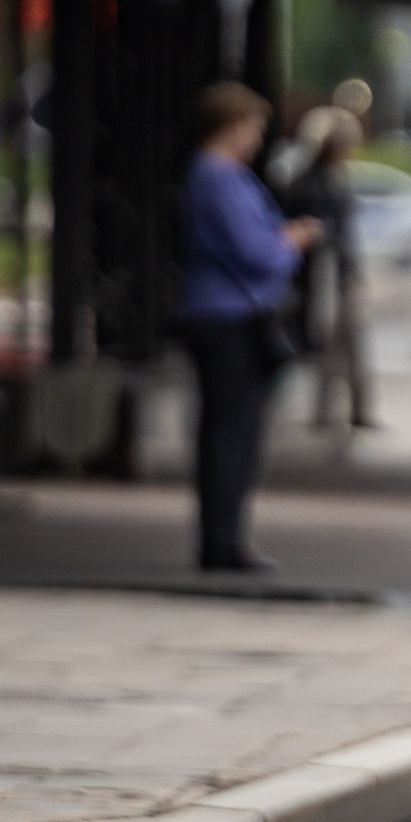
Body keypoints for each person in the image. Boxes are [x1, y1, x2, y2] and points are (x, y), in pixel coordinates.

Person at [180, 83, 320, 571]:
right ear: (234, 126)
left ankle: (223, 536)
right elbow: (255, 251)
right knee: (231, 431)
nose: (258, 139)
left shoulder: (215, 177)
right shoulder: (218, 178)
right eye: (254, 128)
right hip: (229, 316)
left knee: (229, 430)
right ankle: (221, 541)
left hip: (221, 311)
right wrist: (294, 241)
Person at [276, 104, 377, 431]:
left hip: (338, 270)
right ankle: (336, 411)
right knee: (338, 341)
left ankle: (341, 411)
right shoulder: (312, 182)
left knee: (345, 342)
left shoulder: (325, 178)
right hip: (329, 272)